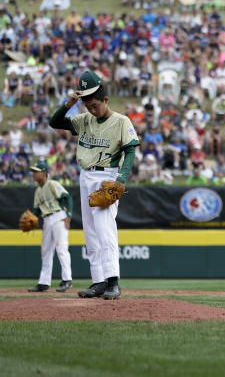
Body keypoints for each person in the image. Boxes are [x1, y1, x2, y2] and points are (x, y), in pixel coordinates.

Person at [49, 71, 140, 300]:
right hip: (86, 175)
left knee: (104, 228)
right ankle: (98, 281)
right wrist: (69, 103)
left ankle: (113, 282)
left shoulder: (121, 121)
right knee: (90, 231)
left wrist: (122, 177)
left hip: (107, 176)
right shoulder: (84, 119)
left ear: (106, 100)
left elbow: (130, 150)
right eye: (88, 105)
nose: (91, 109)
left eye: (95, 105)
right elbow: (55, 122)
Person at [26, 161, 74, 293]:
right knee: (45, 252)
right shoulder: (38, 190)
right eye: (33, 172)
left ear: (44, 173)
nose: (34, 174)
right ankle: (44, 283)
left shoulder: (52, 184)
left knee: (62, 249)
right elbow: (37, 210)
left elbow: (67, 197)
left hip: (59, 217)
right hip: (46, 220)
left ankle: (67, 280)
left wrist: (68, 216)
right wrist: (32, 218)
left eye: (36, 171)